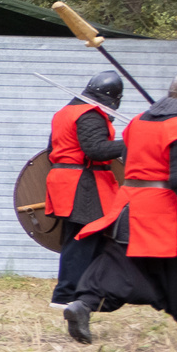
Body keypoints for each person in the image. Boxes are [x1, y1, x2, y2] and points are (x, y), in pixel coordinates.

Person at [61, 70, 177, 347]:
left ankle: (84, 303)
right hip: (164, 212)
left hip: (128, 208)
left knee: (118, 263)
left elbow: (132, 155)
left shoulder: (139, 121)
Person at [46, 72, 127, 313]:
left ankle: (86, 293)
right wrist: (133, 141)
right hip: (83, 183)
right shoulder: (89, 114)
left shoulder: (66, 112)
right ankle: (65, 296)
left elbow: (51, 149)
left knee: (84, 239)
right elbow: (96, 150)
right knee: (82, 239)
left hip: (68, 180)